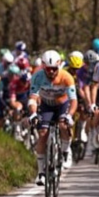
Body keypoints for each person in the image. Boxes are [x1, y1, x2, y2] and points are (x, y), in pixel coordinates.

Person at [27, 51, 78, 184]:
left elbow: (73, 100)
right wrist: (33, 113)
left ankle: (66, 151)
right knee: (43, 133)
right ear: (43, 66)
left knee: (63, 125)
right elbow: (33, 98)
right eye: (48, 69)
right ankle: (40, 173)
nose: (51, 72)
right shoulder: (37, 76)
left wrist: (70, 115)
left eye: (54, 69)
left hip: (62, 104)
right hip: (46, 105)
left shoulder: (66, 77)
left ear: (59, 66)